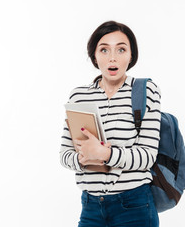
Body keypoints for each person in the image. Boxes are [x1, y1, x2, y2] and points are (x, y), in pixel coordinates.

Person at [60, 21, 161, 227]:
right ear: (94, 56)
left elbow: (148, 157)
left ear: (131, 55)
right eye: (104, 49)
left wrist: (105, 154)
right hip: (91, 208)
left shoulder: (145, 90)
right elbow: (64, 156)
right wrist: (84, 156)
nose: (112, 57)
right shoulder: (78, 96)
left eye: (121, 49)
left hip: (135, 207)